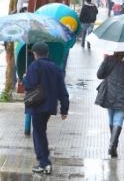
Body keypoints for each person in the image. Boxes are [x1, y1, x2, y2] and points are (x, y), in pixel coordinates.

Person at [22, 42, 69, 174]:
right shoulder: (55, 67)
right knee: (41, 131)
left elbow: (28, 85)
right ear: (47, 53)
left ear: (36, 54)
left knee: (38, 134)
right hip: (49, 106)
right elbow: (62, 89)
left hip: (38, 105)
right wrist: (64, 108)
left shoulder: (35, 65)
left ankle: (44, 163)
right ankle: (44, 161)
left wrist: (25, 78)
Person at [95, 52, 124, 158]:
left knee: (111, 118)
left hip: (109, 92)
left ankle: (113, 144)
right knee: (118, 119)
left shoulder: (108, 59)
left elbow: (99, 75)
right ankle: (112, 145)